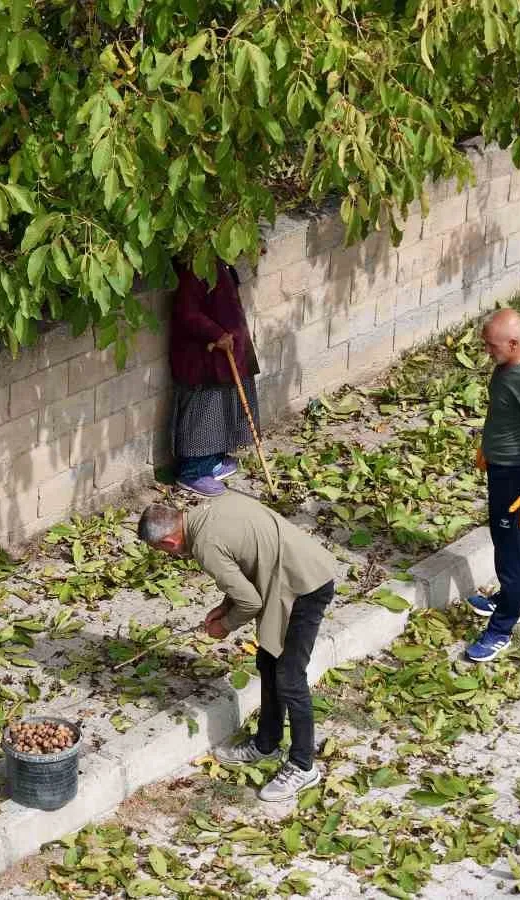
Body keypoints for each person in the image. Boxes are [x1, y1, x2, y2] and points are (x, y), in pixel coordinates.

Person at [137, 492, 342, 802]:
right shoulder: (213, 506)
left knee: (289, 677)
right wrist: (224, 606)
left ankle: (303, 766)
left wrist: (225, 625)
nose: (170, 556)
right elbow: (247, 561)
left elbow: (250, 601)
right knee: (268, 662)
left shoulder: (205, 547)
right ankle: (266, 743)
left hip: (303, 588)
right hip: (292, 575)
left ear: (168, 543)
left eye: (164, 552)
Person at [464, 309, 520, 662]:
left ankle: (502, 628)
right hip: (501, 466)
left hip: (518, 476)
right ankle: (505, 600)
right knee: (503, 540)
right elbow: (503, 414)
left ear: (514, 343)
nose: (487, 351)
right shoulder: (508, 366)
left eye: (491, 345)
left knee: (513, 555)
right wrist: (487, 447)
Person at [168, 258, 261, 498]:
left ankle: (213, 462)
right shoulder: (196, 267)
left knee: (224, 411)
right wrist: (215, 333)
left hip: (229, 354)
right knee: (205, 414)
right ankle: (193, 471)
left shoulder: (222, 262)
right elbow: (186, 312)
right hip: (205, 360)